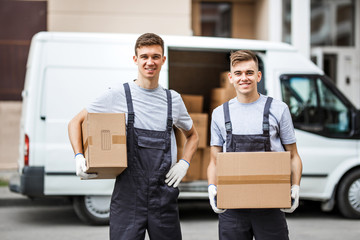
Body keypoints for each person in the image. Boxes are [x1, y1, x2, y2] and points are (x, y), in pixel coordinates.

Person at [68, 33, 199, 240]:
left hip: (163, 198)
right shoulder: (118, 95)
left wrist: (184, 163)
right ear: (135, 59)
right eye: (144, 56)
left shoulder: (173, 99)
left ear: (163, 60)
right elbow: (75, 122)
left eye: (156, 56)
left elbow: (193, 136)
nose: (150, 62)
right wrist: (78, 156)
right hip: (128, 200)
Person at [207, 50, 302, 240]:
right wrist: (211, 187)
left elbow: (293, 155)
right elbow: (214, 160)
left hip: (270, 206)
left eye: (249, 73)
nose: (244, 78)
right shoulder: (220, 114)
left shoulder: (278, 109)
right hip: (232, 208)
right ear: (231, 78)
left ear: (258, 76)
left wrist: (295, 186)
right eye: (239, 73)